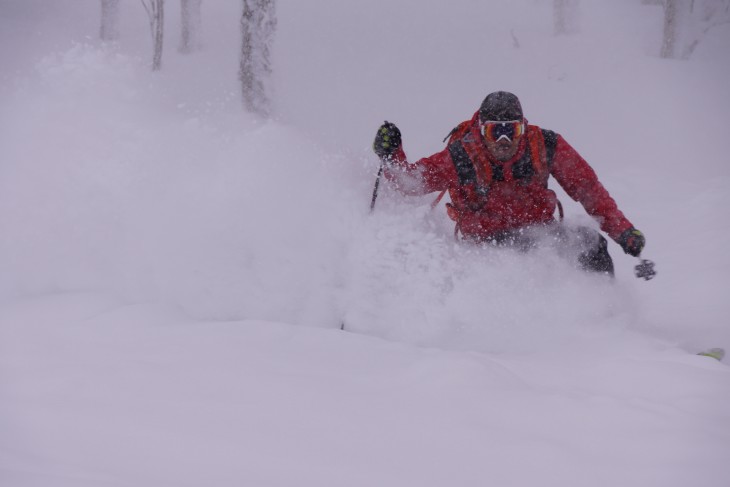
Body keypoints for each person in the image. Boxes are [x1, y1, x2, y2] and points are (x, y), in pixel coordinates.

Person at [372, 91, 646, 276]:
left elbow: (589, 191)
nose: (504, 142)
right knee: (507, 269)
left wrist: (624, 232)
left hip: (539, 233)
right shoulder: (464, 155)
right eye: (495, 132)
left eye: (511, 131)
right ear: (481, 130)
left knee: (589, 243)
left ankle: (604, 315)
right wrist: (391, 155)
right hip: (485, 244)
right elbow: (413, 182)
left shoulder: (546, 146)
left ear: (523, 128)